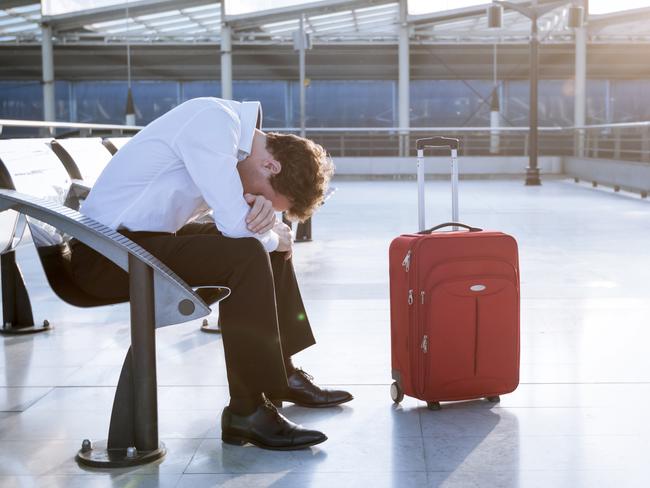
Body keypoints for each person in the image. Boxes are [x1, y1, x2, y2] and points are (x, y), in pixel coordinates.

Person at [70, 97, 352, 451]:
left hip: (137, 242)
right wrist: (270, 234)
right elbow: (236, 226)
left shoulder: (233, 139)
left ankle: (283, 374)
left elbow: (237, 222)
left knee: (264, 246)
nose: (251, 196)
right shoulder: (213, 124)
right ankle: (247, 411)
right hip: (103, 256)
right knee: (249, 251)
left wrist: (271, 233)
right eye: (261, 194)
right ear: (270, 165)